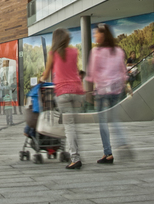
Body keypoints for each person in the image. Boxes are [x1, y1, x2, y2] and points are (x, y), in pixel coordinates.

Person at [39, 28, 85, 169]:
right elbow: (74, 70)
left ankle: (75, 158)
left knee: (69, 126)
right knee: (73, 125)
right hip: (77, 91)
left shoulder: (53, 53)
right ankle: (75, 152)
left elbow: (46, 74)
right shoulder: (74, 51)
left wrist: (41, 80)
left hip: (63, 92)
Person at [86, 24, 129, 164]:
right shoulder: (118, 51)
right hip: (116, 90)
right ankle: (122, 142)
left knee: (102, 122)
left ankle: (108, 152)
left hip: (102, 91)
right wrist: (125, 86)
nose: (94, 36)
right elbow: (123, 71)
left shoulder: (96, 52)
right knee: (114, 119)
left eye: (96, 33)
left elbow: (91, 73)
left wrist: (89, 92)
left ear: (103, 35)